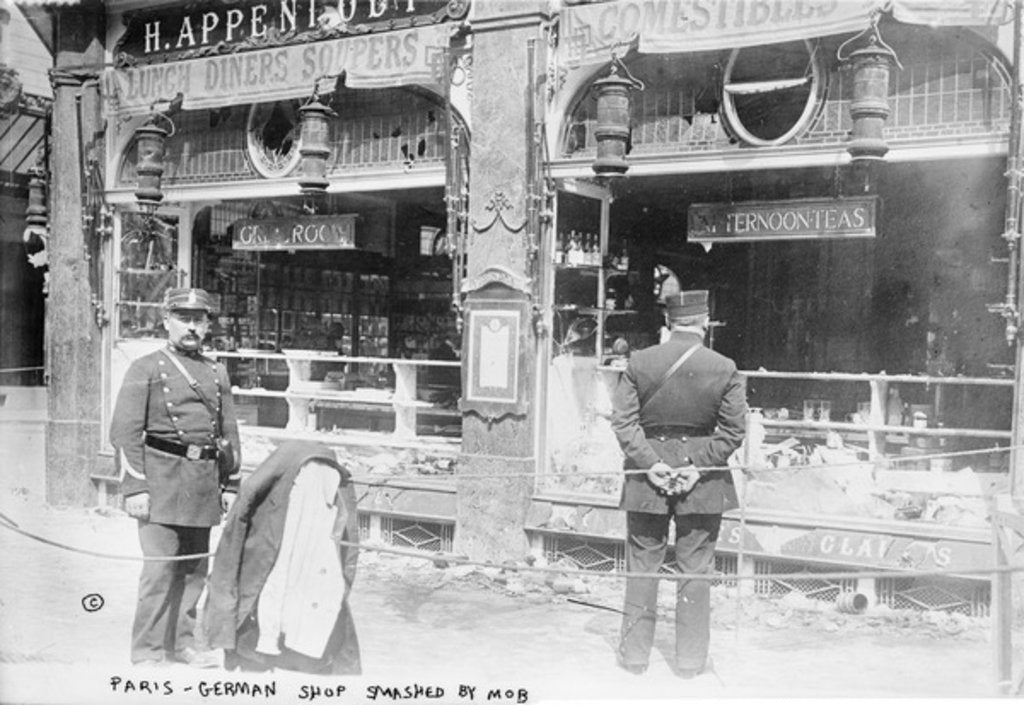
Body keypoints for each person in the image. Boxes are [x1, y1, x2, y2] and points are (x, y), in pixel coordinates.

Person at [610, 290, 747, 678]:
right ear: (704, 323)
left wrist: (651, 463)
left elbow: (622, 423)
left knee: (642, 565)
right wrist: (696, 466)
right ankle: (689, 663)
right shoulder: (724, 366)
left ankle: (635, 659)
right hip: (702, 482)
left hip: (644, 478)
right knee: (695, 570)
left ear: (669, 323)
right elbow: (735, 430)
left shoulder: (639, 362)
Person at [110, 287, 242, 668]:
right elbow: (124, 432)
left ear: (207, 325)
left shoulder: (216, 372)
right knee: (159, 569)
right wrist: (134, 486)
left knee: (195, 568)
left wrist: (230, 482)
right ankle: (148, 650)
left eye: (198, 319)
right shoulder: (146, 368)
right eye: (183, 318)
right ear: (167, 321)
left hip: (202, 481)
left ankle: (182, 644)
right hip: (162, 481)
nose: (191, 326)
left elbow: (228, 432)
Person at [203, 440, 361, 674]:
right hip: (258, 614)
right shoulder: (268, 509)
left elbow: (347, 560)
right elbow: (229, 561)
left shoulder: (330, 508)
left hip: (307, 626)